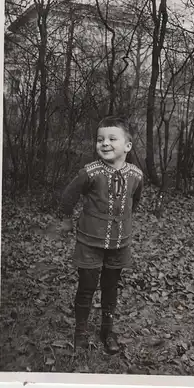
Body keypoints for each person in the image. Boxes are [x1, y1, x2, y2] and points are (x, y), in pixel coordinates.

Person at [59, 116, 144, 354]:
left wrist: (122, 223)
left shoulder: (136, 175)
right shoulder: (90, 173)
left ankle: (107, 330)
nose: (104, 143)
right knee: (86, 287)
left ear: (127, 146)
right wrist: (66, 219)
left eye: (111, 139)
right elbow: (68, 196)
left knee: (110, 287)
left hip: (119, 244)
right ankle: (81, 332)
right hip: (89, 242)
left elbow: (134, 202)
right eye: (100, 139)